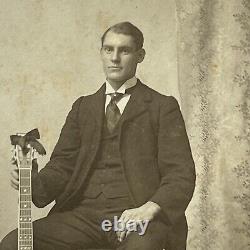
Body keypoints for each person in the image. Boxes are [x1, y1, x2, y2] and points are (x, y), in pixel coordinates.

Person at [0, 22, 196, 250]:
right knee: (13, 243)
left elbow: (181, 173)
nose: (115, 58)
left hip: (137, 217)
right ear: (101, 53)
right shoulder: (83, 107)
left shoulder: (162, 107)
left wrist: (150, 208)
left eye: (124, 50)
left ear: (140, 55)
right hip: (84, 217)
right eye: (108, 49)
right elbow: (62, 166)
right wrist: (33, 182)